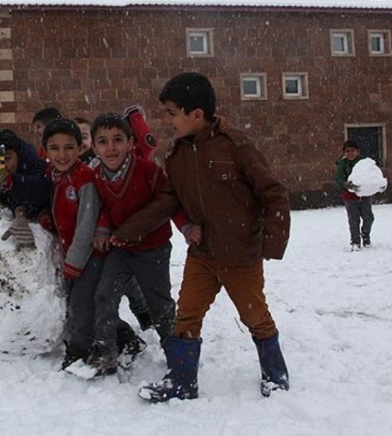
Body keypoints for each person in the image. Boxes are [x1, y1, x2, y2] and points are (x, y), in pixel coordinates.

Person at [111, 72, 291, 402]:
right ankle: (182, 380)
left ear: (195, 115)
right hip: (202, 255)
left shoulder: (237, 146)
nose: (167, 121)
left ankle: (276, 374)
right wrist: (128, 231)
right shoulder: (177, 155)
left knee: (255, 316)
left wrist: (271, 242)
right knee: (187, 315)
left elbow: (274, 192)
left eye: (171, 113)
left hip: (240, 256)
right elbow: (167, 200)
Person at [83, 112, 178, 377]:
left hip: (153, 250)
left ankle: (176, 349)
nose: (110, 147)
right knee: (105, 295)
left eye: (117, 140)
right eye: (103, 141)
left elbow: (168, 201)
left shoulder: (147, 171)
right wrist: (102, 229)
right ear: (94, 147)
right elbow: (103, 209)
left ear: (130, 143)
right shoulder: (97, 177)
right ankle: (105, 352)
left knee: (159, 304)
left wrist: (187, 226)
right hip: (121, 250)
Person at [42, 117, 141, 369]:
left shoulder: (84, 177)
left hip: (92, 255)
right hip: (75, 254)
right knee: (87, 304)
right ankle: (126, 338)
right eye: (55, 148)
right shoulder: (53, 176)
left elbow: (87, 224)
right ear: (45, 150)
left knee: (80, 306)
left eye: (69, 147)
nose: (62, 154)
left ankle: (79, 352)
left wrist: (73, 263)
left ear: (80, 148)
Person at [0, 128, 52, 249]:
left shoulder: (36, 166)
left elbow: (41, 191)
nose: (2, 167)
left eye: (7, 159)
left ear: (18, 155)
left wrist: (12, 182)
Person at [335, 140, 375, 251]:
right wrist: (345, 184)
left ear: (358, 151)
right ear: (344, 153)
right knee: (354, 220)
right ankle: (355, 242)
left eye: (352, 150)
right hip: (350, 197)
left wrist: (379, 184)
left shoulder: (364, 163)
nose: (350, 153)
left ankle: (365, 236)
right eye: (347, 151)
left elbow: (373, 175)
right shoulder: (342, 164)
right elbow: (338, 179)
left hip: (364, 195)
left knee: (369, 218)